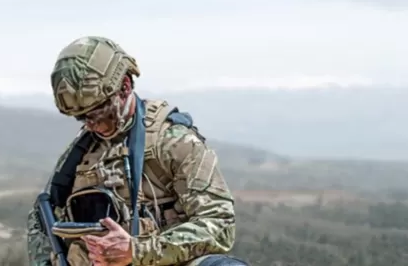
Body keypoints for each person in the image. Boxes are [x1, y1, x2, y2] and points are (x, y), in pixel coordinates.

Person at [26, 36, 246, 266]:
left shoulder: (173, 142)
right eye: (82, 117)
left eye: (100, 111)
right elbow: (41, 223)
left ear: (125, 87)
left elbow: (219, 225)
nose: (92, 124)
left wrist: (137, 250)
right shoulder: (78, 157)